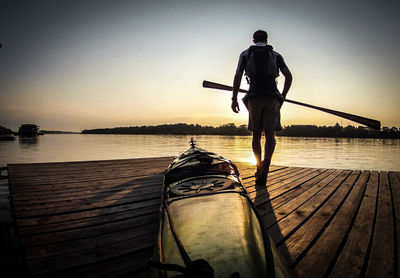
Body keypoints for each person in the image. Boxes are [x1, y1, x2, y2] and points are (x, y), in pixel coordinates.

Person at [231, 30, 292, 185]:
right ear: (267, 40)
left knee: (256, 135)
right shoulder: (276, 55)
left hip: (254, 97)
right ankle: (267, 164)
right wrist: (282, 96)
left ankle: (258, 167)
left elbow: (238, 75)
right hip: (272, 97)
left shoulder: (245, 54)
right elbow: (289, 76)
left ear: (253, 40)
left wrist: (234, 98)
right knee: (270, 135)